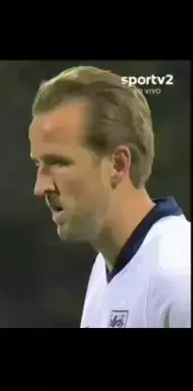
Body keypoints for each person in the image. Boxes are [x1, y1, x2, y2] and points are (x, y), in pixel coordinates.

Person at [28, 66, 190, 328]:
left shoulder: (179, 275)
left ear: (118, 164)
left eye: (58, 162)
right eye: (38, 164)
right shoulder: (107, 267)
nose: (40, 186)